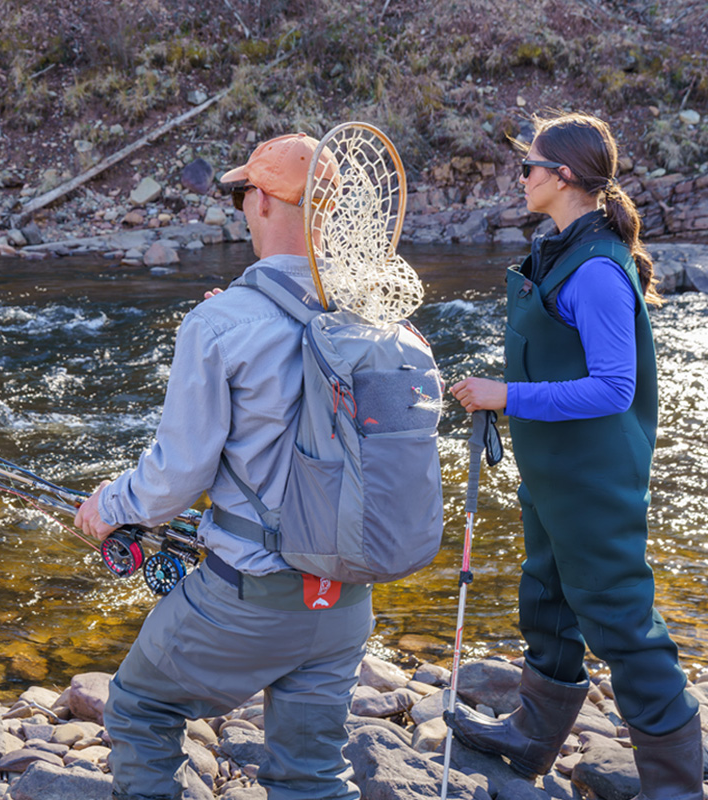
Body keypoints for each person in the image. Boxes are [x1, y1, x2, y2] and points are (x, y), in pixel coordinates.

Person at [73, 133, 374, 800]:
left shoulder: (218, 326)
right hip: (347, 598)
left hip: (252, 601)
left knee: (140, 709)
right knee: (313, 775)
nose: (242, 206)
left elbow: (174, 480)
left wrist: (109, 508)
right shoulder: (377, 317)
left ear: (263, 199)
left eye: (243, 194)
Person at [448, 112, 703, 800]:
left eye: (528, 166)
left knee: (623, 626)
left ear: (563, 177)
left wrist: (507, 394)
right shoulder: (561, 248)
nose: (519, 175)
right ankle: (533, 738)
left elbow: (614, 388)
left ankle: (678, 787)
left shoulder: (594, 270)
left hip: (593, 484)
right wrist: (508, 396)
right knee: (548, 600)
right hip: (555, 475)